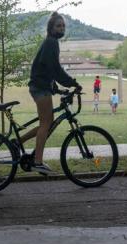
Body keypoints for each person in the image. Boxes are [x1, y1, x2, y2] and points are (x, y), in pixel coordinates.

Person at [16, 11, 81, 175]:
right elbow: (56, 70)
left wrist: (57, 89)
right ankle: (37, 161)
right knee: (46, 124)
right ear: (51, 28)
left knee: (47, 123)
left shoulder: (51, 43)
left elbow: (47, 70)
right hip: (39, 88)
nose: (61, 28)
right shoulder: (51, 43)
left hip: (41, 86)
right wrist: (72, 83)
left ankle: (17, 142)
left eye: (63, 26)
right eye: (58, 26)